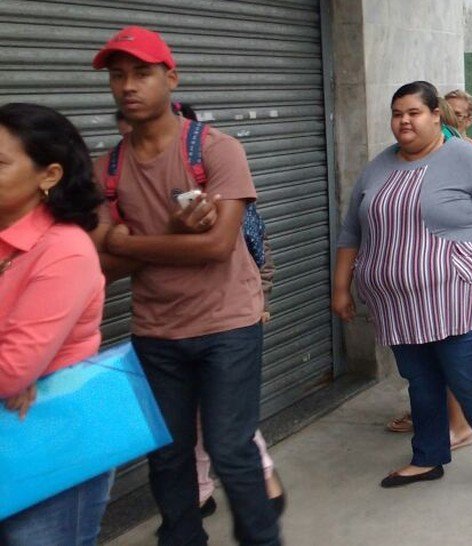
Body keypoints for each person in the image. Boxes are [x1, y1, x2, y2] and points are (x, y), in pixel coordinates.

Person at [89, 26, 280, 544]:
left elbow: (216, 247)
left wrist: (127, 242)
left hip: (228, 323)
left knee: (230, 446)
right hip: (156, 330)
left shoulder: (219, 151)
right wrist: (169, 236)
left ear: (170, 78)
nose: (128, 86)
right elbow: (100, 269)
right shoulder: (104, 169)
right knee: (167, 452)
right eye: (118, 76)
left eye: (142, 73)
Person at [332, 80, 472, 496]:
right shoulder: (379, 165)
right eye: (397, 113)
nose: (404, 121)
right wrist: (341, 286)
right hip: (399, 308)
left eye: (414, 112)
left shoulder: (466, 158)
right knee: (422, 387)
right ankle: (427, 457)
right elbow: (351, 229)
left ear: (436, 115)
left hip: (456, 301)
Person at [0, 103, 107, 546]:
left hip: (51, 447)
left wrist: (13, 371)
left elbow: (10, 371)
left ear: (49, 175)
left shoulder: (65, 251)